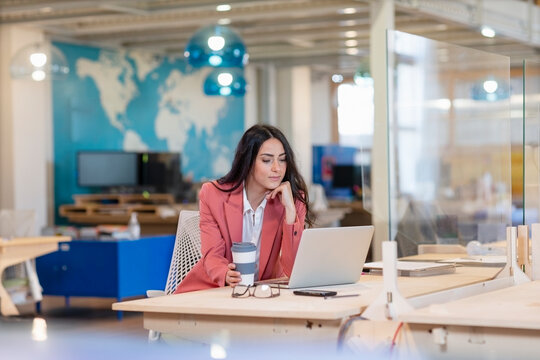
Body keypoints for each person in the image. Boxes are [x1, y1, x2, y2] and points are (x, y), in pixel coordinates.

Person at [174, 124, 313, 294]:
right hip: (211, 291)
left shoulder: (292, 200)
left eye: (282, 159)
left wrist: (290, 213)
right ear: (248, 162)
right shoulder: (213, 194)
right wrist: (225, 273)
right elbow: (212, 256)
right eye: (267, 160)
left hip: (260, 294)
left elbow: (294, 270)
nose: (277, 168)